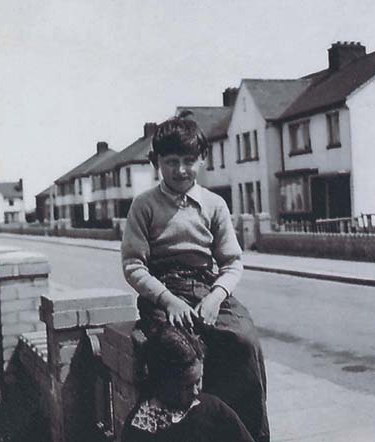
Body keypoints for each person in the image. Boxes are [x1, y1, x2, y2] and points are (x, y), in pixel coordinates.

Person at [121, 115, 269, 442]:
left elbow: (232, 263)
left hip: (206, 287)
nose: (181, 170)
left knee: (244, 340)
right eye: (171, 162)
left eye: (189, 161)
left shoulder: (214, 205)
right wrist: (168, 300)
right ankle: (176, 431)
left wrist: (216, 298)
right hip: (164, 291)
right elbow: (133, 265)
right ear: (157, 162)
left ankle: (247, 433)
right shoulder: (144, 206)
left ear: (202, 160)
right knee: (173, 352)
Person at [121, 324, 255, 442]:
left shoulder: (213, 409)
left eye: (199, 380)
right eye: (186, 386)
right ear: (161, 382)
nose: (196, 391)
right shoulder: (139, 430)